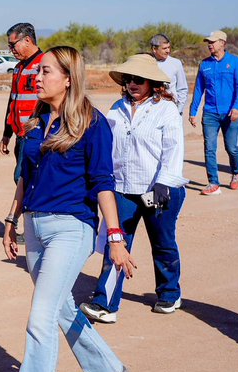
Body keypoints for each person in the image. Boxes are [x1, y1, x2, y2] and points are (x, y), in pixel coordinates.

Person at [0, 46, 135, 372]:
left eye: (45, 72)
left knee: (40, 316)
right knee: (59, 309)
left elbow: (104, 184)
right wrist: (11, 220)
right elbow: (25, 176)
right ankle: (107, 371)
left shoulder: (94, 124)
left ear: (68, 78)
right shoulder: (36, 121)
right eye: (37, 73)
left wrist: (115, 238)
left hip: (72, 228)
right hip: (35, 227)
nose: (36, 78)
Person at [79, 54, 188, 324]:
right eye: (128, 79)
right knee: (115, 243)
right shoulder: (117, 108)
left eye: (138, 79)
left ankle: (169, 292)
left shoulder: (166, 110)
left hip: (158, 189)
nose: (132, 84)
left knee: (162, 242)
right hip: (124, 189)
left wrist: (165, 182)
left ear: (152, 82)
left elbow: (174, 149)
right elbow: (105, 144)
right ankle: (105, 303)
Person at [188, 30, 238, 195]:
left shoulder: (235, 62)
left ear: (223, 43)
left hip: (230, 113)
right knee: (209, 148)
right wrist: (193, 111)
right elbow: (199, 89)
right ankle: (213, 182)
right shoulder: (204, 64)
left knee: (231, 147)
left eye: (213, 42)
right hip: (210, 113)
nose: (209, 45)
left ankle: (236, 172)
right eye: (208, 42)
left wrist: (236, 108)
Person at [0, 23, 46, 184]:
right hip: (20, 134)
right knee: (23, 178)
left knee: (22, 177)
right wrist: (6, 134)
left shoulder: (45, 64)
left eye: (13, 45)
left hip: (36, 134)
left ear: (27, 40)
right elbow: (12, 101)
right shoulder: (18, 68)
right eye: (9, 46)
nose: (11, 50)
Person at [150, 33, 188, 110]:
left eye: (169, 47)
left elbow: (182, 89)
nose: (168, 51)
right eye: (164, 48)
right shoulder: (147, 63)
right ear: (154, 49)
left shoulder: (176, 63)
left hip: (171, 109)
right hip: (151, 109)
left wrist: (178, 110)